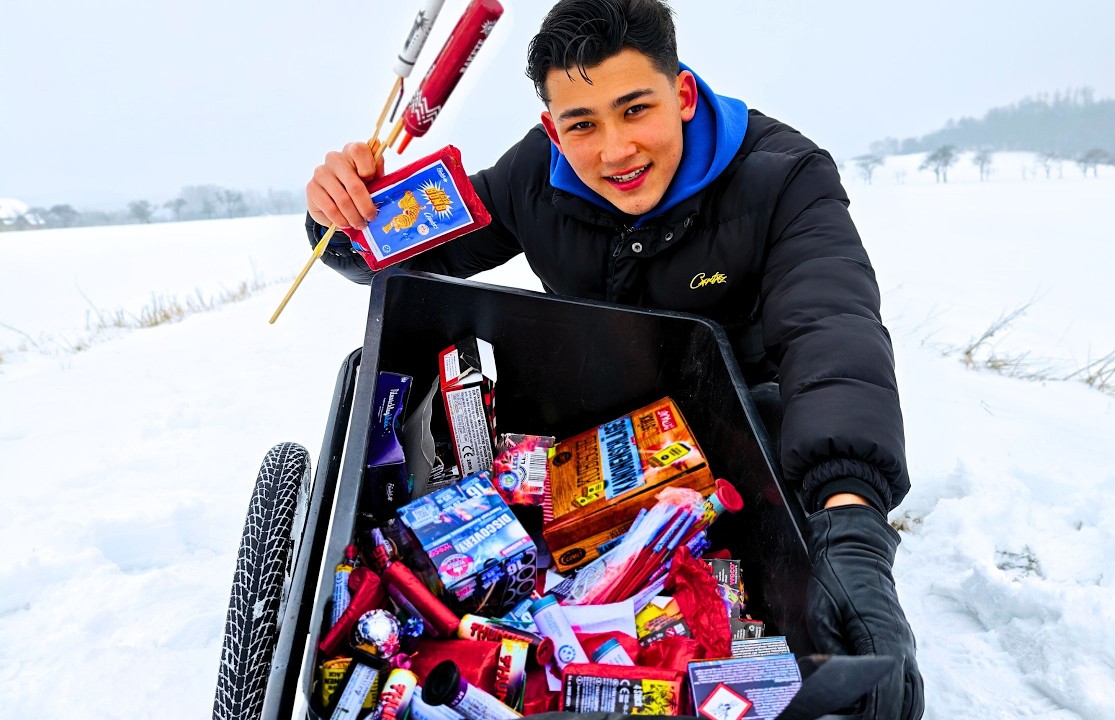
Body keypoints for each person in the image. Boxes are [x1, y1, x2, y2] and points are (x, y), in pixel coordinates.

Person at [305, 1, 922, 717]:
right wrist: (339, 215)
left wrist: (851, 528)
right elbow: (394, 250)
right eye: (583, 124)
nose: (616, 151)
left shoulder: (784, 177)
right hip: (592, 434)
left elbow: (832, 331)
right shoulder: (533, 178)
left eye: (636, 110)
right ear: (553, 130)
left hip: (741, 425)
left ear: (682, 94)